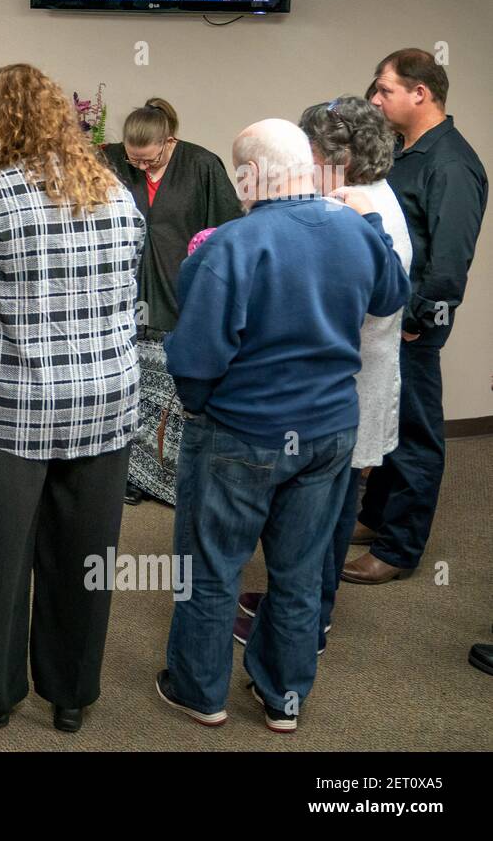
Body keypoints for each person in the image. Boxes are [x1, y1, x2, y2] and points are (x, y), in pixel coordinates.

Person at [155, 119, 409, 733]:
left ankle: (200, 692)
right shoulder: (355, 230)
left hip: (241, 432)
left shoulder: (230, 246)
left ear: (248, 177)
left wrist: (201, 406)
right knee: (298, 573)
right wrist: (370, 223)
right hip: (329, 434)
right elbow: (391, 294)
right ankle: (283, 699)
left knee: (212, 568)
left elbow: (193, 361)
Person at [0, 65, 144, 734]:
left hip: (11, 409)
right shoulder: (118, 194)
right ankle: (70, 694)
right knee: (85, 558)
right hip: (105, 405)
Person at [235, 97, 413, 651]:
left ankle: (310, 623)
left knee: (329, 517)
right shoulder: (351, 203)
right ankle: (300, 609)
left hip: (348, 382)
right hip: (339, 383)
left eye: (307, 150)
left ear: (338, 155)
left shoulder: (362, 210)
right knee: (323, 512)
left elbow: (365, 299)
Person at [345, 49, 488, 583]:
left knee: (414, 432)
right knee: (386, 418)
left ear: (419, 93)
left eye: (383, 90)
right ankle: (378, 518)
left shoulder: (451, 163)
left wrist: (418, 319)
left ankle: (399, 550)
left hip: (415, 319)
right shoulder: (410, 152)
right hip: (392, 314)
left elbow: (451, 260)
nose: (374, 99)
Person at [103, 99, 243, 507]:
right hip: (126, 295)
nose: (140, 168)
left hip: (178, 294)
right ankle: (131, 477)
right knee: (130, 391)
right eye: (134, 161)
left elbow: (227, 231)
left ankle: (169, 480)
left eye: (149, 160)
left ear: (169, 141)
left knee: (171, 392)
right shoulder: (113, 161)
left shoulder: (202, 165)